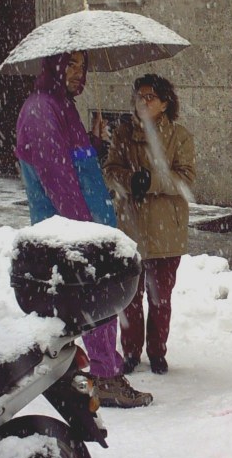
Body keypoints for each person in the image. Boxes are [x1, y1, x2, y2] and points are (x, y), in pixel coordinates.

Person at [15, 50, 153, 408]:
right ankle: (101, 378)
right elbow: (57, 179)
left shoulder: (63, 107)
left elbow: (75, 168)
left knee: (98, 308)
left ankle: (99, 374)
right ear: (53, 65)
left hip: (87, 231)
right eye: (72, 64)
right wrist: (88, 233)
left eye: (83, 66)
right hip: (73, 237)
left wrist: (91, 143)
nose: (80, 73)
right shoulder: (40, 110)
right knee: (92, 308)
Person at [104, 74, 196, 374]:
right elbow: (111, 171)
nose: (142, 102)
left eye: (149, 97)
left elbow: (185, 178)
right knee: (129, 298)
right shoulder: (123, 133)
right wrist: (130, 180)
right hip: (130, 228)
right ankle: (130, 352)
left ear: (165, 103)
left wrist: (153, 181)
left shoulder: (179, 136)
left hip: (165, 229)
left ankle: (157, 352)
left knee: (160, 299)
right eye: (139, 96)